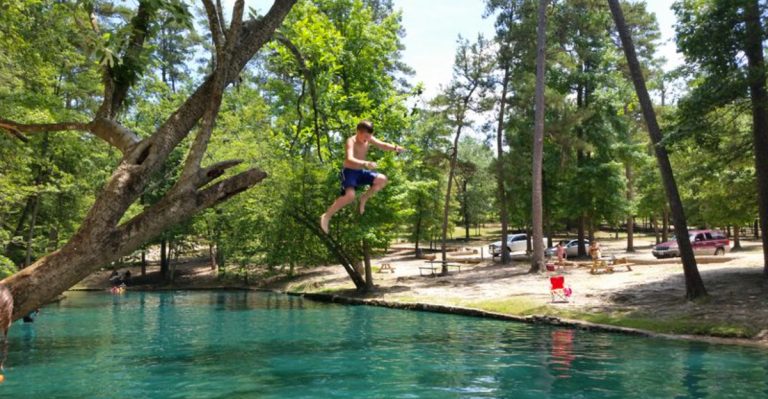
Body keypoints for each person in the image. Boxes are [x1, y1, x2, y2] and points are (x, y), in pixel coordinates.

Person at [320, 120, 403, 234]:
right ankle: (326, 216)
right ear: (358, 132)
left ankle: (364, 198)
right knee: (350, 196)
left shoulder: (368, 138)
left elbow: (382, 145)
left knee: (382, 179)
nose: (367, 139)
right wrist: (365, 163)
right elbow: (349, 158)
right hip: (349, 172)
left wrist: (395, 147)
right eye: (365, 136)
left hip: (360, 172)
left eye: (369, 137)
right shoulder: (351, 141)